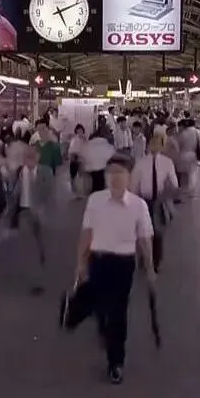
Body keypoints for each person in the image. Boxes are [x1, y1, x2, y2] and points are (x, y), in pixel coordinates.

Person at [74, 154, 157, 385]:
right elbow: (86, 234)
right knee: (101, 306)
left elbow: (145, 240)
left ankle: (116, 363)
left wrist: (150, 268)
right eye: (111, 173)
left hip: (123, 264)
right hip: (98, 260)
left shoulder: (138, 206)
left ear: (129, 176)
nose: (115, 178)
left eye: (120, 173)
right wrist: (81, 263)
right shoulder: (95, 201)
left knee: (118, 312)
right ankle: (103, 325)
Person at [3, 145, 56, 294]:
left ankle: (41, 264)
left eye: (33, 155)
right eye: (27, 156)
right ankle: (37, 280)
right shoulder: (19, 172)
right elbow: (12, 193)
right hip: (24, 213)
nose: (30, 158)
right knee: (31, 247)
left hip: (41, 213)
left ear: (39, 157)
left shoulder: (46, 171)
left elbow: (50, 192)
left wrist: (42, 206)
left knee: (42, 245)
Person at [131, 134, 178, 273]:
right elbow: (174, 185)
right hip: (153, 201)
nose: (154, 147)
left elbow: (133, 186)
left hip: (152, 202)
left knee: (149, 232)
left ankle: (149, 259)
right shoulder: (164, 162)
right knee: (154, 233)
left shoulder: (143, 162)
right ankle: (152, 260)